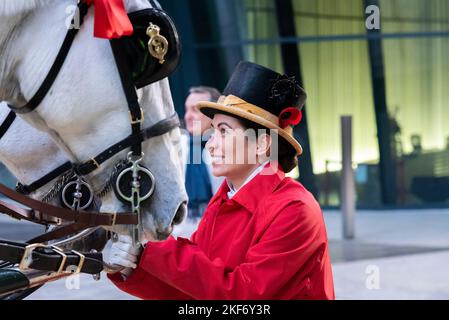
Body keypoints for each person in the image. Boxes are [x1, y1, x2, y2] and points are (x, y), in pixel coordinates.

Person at [106, 61, 335, 300]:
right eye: (213, 131)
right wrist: (131, 268)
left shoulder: (295, 209)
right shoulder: (225, 199)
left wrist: (152, 250)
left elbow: (245, 296)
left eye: (224, 131)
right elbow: (195, 289)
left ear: (261, 144)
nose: (212, 144)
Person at [174, 86, 224, 237]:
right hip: (179, 238)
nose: (188, 116)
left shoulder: (231, 148)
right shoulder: (175, 147)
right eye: (187, 109)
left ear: (214, 114)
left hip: (218, 236)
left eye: (195, 110)